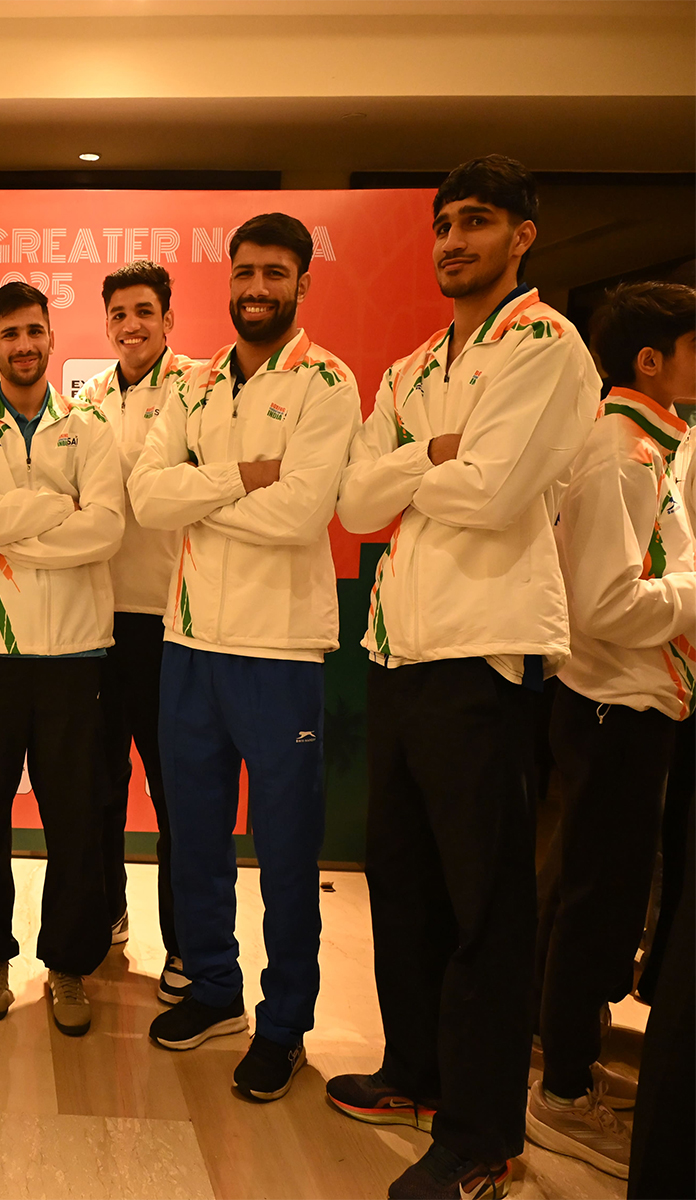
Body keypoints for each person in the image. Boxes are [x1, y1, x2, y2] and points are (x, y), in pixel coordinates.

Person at [329, 155, 598, 1200]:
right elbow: (354, 506)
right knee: (399, 882)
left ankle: (484, 1133)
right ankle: (415, 1071)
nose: (453, 241)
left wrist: (415, 468)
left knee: (486, 905)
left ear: (522, 235)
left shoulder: (545, 347)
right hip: (399, 653)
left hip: (483, 658)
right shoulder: (410, 369)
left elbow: (491, 496)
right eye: (444, 224)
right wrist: (425, 456)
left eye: (477, 222)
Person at [128, 216, 360, 1102]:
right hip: (188, 641)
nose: (256, 286)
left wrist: (203, 491)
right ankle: (215, 989)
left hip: (280, 651)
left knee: (288, 849)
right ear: (227, 282)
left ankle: (284, 1023)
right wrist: (242, 476)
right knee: (194, 837)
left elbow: (303, 513)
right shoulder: (190, 385)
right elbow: (149, 497)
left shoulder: (326, 381)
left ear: (302, 283)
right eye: (244, 272)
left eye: (275, 272)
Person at [526, 281, 695, 1179]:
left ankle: (561, 1062)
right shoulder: (623, 454)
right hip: (613, 701)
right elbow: (605, 601)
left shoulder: (648, 445)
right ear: (649, 360)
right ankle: (561, 1092)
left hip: (632, 700)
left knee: (590, 889)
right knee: (599, 901)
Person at [0, 280, 124, 1037]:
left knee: (75, 818)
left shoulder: (91, 429)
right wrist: (57, 507)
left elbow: (107, 530)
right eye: (9, 333)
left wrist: (10, 525)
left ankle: (69, 965)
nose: (23, 345)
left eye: (35, 332)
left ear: (52, 339)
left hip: (78, 649)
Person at [74, 260, 196, 992]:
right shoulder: (85, 400)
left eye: (145, 311)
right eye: (119, 313)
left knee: (174, 787)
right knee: (96, 784)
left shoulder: (196, 389)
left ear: (168, 318)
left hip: (170, 618)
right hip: (94, 620)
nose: (132, 325)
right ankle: (105, 911)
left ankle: (183, 941)